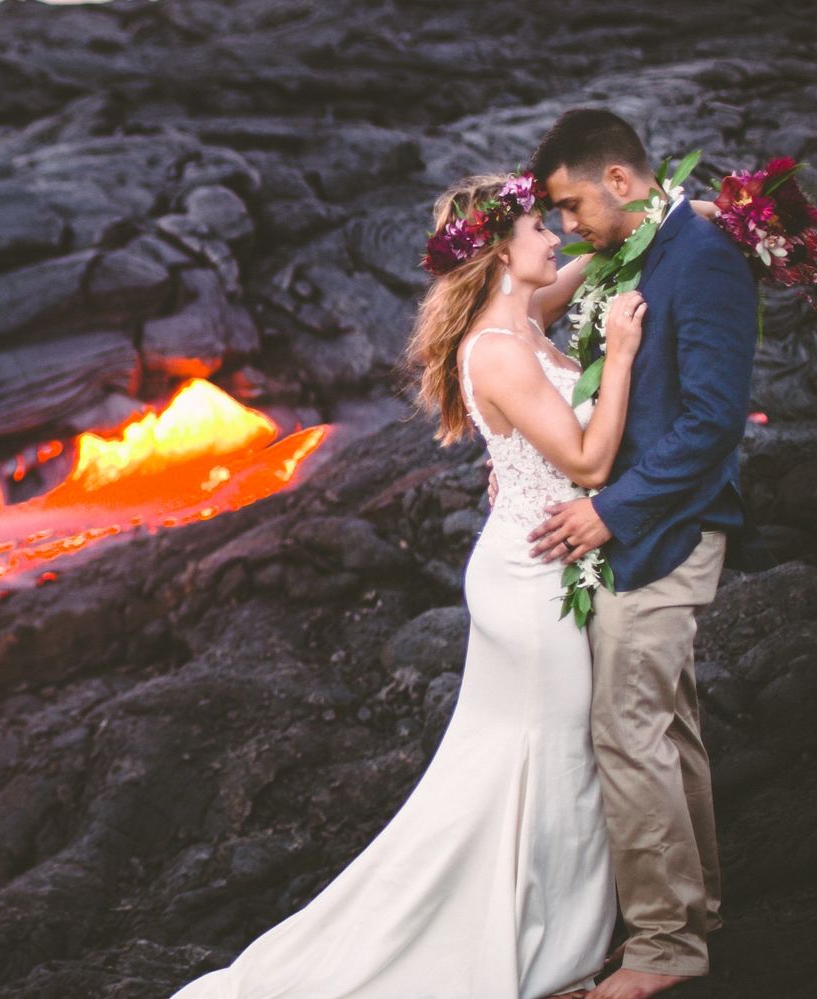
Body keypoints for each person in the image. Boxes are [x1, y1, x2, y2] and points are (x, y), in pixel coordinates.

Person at [170, 169, 646, 998]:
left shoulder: (522, 319)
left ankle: (523, 924)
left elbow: (601, 262)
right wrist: (627, 354)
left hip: (534, 556)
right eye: (539, 226)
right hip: (532, 581)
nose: (555, 235)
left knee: (513, 762)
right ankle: (549, 949)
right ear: (501, 252)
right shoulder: (497, 350)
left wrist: (668, 217)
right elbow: (591, 459)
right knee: (556, 754)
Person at [524, 108, 768, 999]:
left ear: (619, 182)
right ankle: (694, 909)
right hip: (651, 525)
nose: (565, 228)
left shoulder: (701, 263)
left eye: (570, 207)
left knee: (625, 730)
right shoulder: (654, 245)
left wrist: (609, 512)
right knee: (665, 724)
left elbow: (711, 422)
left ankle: (663, 948)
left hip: (665, 530)